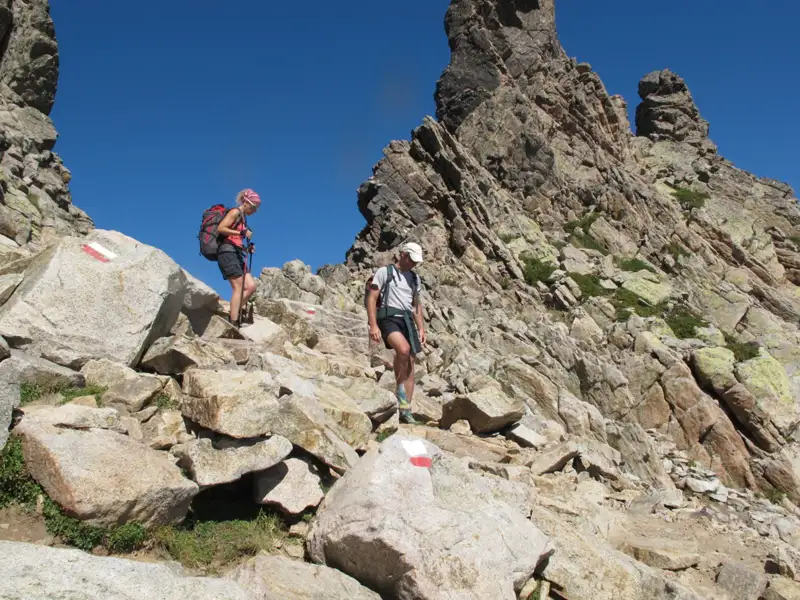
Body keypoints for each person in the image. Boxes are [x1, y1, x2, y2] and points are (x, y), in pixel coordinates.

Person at [366, 242, 426, 424]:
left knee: (411, 362)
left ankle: (405, 410)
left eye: (416, 261)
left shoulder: (415, 279)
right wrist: (373, 325)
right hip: (388, 317)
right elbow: (372, 297)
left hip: (407, 320)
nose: (413, 264)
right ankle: (399, 388)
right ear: (403, 254)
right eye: (411, 259)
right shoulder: (385, 272)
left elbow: (416, 306)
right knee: (404, 350)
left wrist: (421, 328)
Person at [215, 189, 260, 328]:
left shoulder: (244, 219)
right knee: (238, 287)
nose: (254, 211)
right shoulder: (235, 212)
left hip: (237, 253)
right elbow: (221, 228)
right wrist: (241, 232)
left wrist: (247, 249)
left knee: (251, 286)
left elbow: (237, 239)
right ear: (246, 202)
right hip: (227, 252)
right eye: (253, 207)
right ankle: (233, 322)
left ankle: (233, 312)